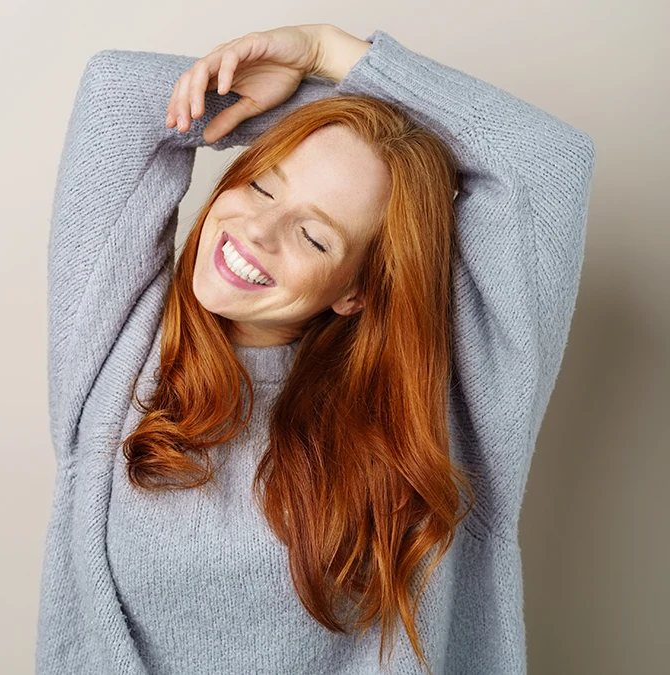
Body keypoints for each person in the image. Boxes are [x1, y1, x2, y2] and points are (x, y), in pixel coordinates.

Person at [38, 24, 596, 675]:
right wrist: (320, 110)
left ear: (356, 290)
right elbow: (117, 94)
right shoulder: (120, 350)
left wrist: (327, 50)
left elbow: (549, 161)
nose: (258, 229)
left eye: (314, 236)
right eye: (263, 184)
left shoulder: (432, 419)